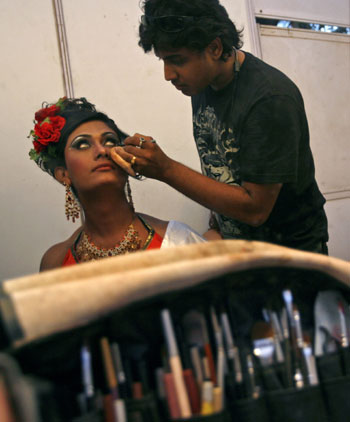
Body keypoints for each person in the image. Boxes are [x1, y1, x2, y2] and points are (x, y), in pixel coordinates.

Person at [113, 0, 329, 254]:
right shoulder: (202, 85)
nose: (168, 74)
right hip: (240, 250)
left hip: (290, 257)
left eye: (177, 60)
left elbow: (256, 210)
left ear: (215, 48)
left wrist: (166, 169)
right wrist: (218, 226)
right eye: (163, 61)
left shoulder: (269, 98)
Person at [28, 97, 205, 271]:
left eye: (110, 141)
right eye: (82, 144)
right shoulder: (56, 263)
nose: (102, 150)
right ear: (64, 174)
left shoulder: (177, 242)